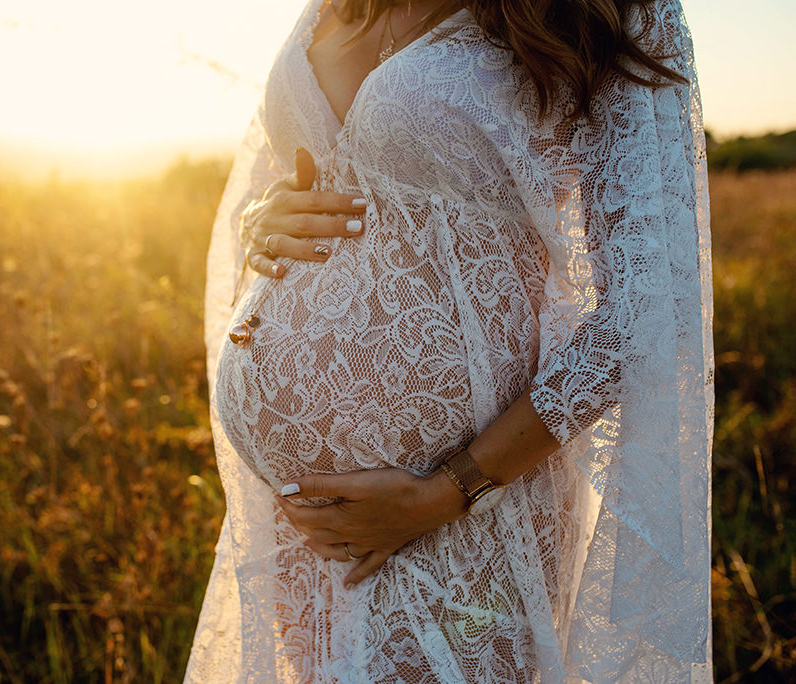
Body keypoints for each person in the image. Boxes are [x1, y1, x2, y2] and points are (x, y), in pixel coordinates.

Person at [187, 0, 712, 681]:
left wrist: (448, 490)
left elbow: (646, 310)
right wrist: (268, 217)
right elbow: (289, 178)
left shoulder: (608, 11)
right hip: (303, 523)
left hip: (466, 513)